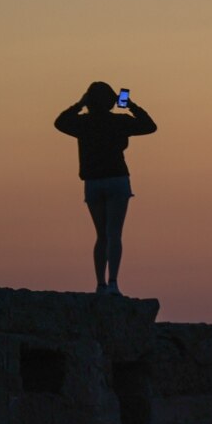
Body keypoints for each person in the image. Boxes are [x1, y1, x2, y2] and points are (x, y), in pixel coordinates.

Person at [55, 82, 157, 296]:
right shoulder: (119, 121)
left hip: (93, 182)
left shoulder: (83, 123)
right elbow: (149, 126)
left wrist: (79, 104)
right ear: (112, 101)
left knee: (101, 235)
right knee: (114, 234)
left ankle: (100, 284)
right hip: (117, 179)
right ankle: (113, 283)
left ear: (89, 101)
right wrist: (130, 105)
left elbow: (60, 122)